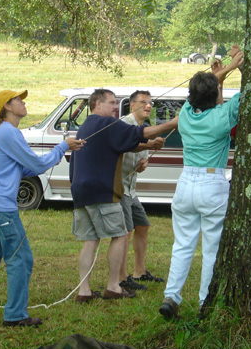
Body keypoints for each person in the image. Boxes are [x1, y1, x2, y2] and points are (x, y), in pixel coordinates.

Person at [0, 89, 85, 327]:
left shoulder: (4, 133)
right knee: (21, 258)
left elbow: (23, 169)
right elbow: (36, 164)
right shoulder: (9, 132)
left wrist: (57, 153)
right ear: (7, 107)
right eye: (18, 100)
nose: (23, 102)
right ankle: (15, 315)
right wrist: (62, 147)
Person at [159, 46, 244, 319]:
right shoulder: (222, 117)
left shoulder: (184, 114)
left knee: (182, 244)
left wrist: (218, 76)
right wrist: (232, 68)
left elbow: (200, 96)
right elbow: (249, 93)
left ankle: (171, 296)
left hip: (185, 183)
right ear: (215, 94)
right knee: (211, 249)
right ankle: (204, 302)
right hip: (212, 183)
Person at [70, 88, 178, 302]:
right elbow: (140, 133)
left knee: (90, 241)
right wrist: (172, 124)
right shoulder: (105, 123)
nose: (114, 107)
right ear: (97, 104)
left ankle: (84, 292)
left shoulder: (85, 127)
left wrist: (149, 145)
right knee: (120, 235)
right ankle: (113, 287)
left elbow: (125, 144)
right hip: (102, 191)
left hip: (80, 191)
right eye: (111, 103)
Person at [118, 91, 166, 292]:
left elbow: (138, 159)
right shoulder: (122, 125)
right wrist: (147, 144)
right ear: (132, 105)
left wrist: (142, 165)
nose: (148, 106)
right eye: (144, 102)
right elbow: (121, 147)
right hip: (119, 187)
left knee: (143, 226)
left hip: (131, 189)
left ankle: (139, 271)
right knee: (124, 233)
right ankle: (122, 277)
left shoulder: (145, 129)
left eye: (150, 103)